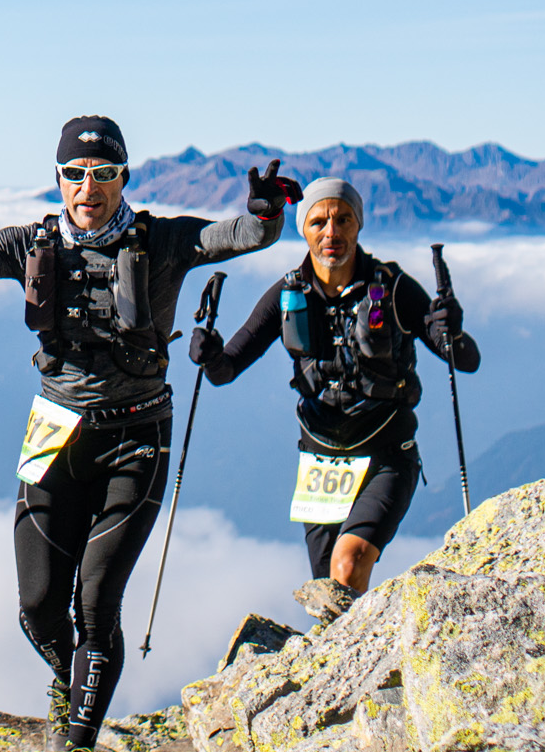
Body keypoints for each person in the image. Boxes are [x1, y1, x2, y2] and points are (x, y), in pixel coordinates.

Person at [0, 116, 300, 752]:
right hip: (55, 435)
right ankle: (72, 675)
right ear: (58, 179)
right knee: (37, 606)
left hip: (138, 439)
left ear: (123, 178)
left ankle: (73, 751)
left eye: (104, 173)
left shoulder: (163, 239)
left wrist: (266, 211)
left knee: (96, 600)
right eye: (76, 174)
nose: (90, 187)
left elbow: (239, 235)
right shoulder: (28, 242)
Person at [188, 177, 479, 621]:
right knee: (330, 599)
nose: (332, 232)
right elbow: (225, 370)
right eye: (319, 221)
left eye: (343, 219)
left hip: (387, 455)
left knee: (348, 565)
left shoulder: (394, 288)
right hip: (320, 463)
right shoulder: (287, 295)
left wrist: (450, 328)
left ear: (358, 226)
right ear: (303, 231)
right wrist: (208, 355)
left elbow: (464, 359)